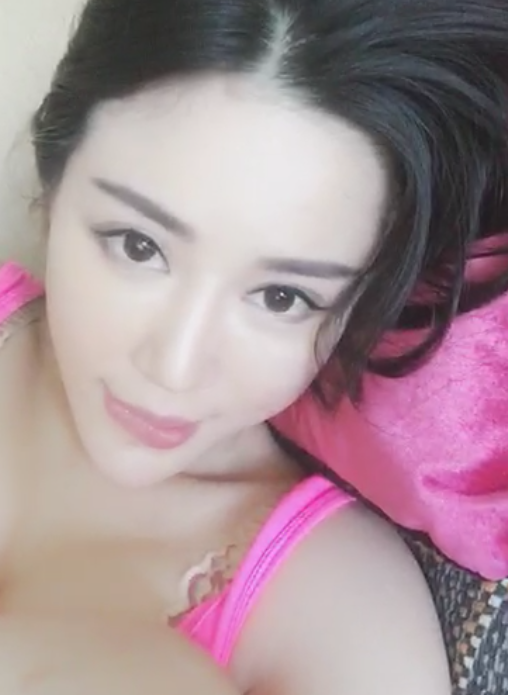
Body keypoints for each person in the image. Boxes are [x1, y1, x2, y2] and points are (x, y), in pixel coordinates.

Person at [0, 0, 507, 692]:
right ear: (53, 178)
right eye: (139, 246)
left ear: (354, 310)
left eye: (280, 297)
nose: (173, 368)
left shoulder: (339, 615)